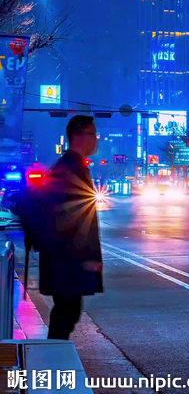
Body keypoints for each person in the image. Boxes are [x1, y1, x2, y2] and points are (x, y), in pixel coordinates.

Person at [38, 115, 103, 340]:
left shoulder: (72, 165)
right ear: (78, 136)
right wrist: (88, 256)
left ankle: (53, 360)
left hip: (65, 258)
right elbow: (76, 217)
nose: (96, 139)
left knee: (67, 312)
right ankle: (53, 364)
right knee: (66, 313)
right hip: (67, 259)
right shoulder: (71, 168)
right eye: (93, 134)